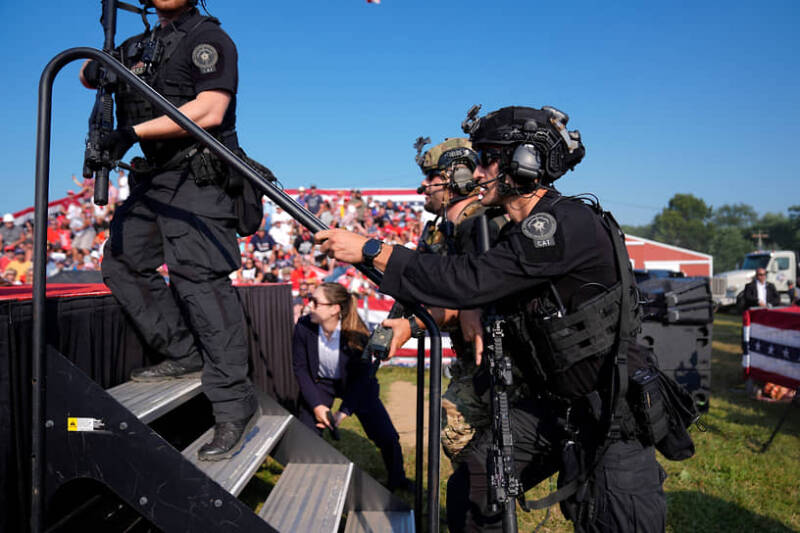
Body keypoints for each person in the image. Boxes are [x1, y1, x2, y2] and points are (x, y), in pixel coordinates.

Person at [317, 105, 667, 531]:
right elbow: (475, 284)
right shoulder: (514, 234)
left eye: (486, 158)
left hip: (609, 410)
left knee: (616, 520)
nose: (477, 170)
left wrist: (374, 250)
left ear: (524, 163)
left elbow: (471, 280)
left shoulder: (562, 224)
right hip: (553, 408)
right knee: (474, 489)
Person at [79, 0, 257, 461]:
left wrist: (131, 133)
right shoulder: (138, 44)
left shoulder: (208, 39)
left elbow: (211, 109)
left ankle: (233, 407)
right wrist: (102, 60)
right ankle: (184, 350)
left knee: (199, 281)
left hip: (198, 177)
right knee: (122, 263)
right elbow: (85, 74)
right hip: (152, 180)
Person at [383, 136, 508, 463]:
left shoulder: (483, 223)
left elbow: (488, 290)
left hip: (499, 360)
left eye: (431, 178)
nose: (424, 185)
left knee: (458, 433)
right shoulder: (445, 230)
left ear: (456, 180)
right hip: (472, 359)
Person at [291, 282, 411, 492]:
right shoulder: (303, 326)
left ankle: (398, 479)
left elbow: (363, 381)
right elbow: (300, 369)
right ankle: (307, 482)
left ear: (334, 309)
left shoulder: (358, 335)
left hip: (357, 387)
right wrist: (317, 406)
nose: (309, 305)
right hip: (321, 384)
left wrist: (343, 412)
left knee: (387, 436)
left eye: (315, 302)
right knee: (306, 432)